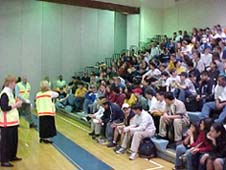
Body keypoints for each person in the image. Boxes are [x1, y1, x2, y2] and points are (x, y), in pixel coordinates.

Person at [0, 75, 23, 167]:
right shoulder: (4, 93)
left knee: (13, 140)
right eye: (14, 82)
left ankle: (12, 155)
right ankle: (4, 159)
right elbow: (4, 107)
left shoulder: (10, 93)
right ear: (9, 83)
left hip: (13, 121)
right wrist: (16, 105)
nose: (15, 84)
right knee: (6, 142)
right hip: (6, 122)